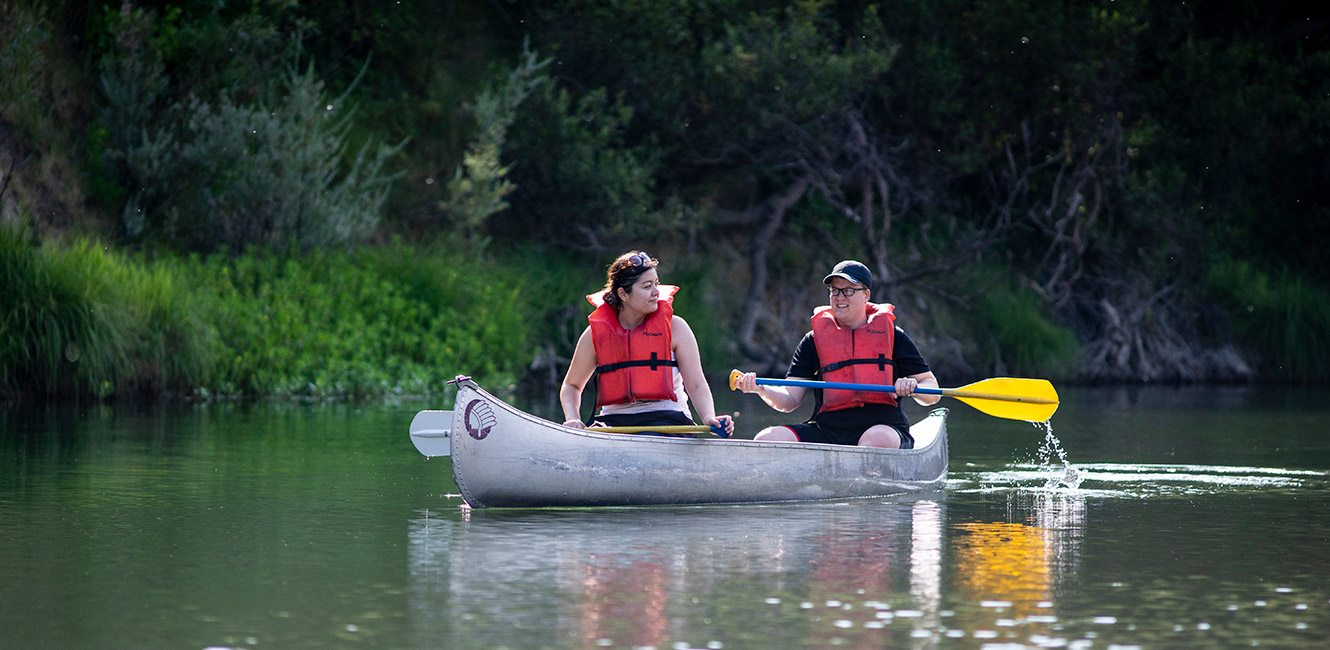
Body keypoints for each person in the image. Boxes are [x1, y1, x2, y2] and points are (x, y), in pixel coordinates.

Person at [734, 260, 939, 448]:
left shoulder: (894, 337)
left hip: (884, 429)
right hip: (828, 431)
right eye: (834, 290)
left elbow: (932, 390)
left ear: (866, 294)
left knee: (876, 439)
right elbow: (789, 399)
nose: (839, 297)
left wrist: (913, 387)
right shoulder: (813, 340)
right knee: (766, 438)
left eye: (848, 290)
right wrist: (761, 389)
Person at [561, 250, 734, 437]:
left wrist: (709, 418)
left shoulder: (676, 328)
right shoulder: (594, 335)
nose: (656, 292)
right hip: (614, 424)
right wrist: (573, 418)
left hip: (668, 421)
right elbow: (572, 385)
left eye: (656, 284)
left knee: (648, 437)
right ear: (623, 294)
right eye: (647, 286)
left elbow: (697, 384)